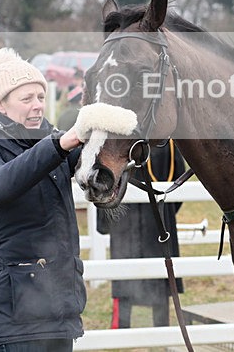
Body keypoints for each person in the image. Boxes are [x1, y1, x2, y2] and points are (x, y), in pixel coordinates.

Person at [0, 48, 86, 352]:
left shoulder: (47, 139)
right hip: (16, 315)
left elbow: (95, 165)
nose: (37, 106)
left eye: (40, 97)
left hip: (59, 308)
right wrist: (58, 145)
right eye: (26, 99)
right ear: (1, 105)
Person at [96, 139, 186, 329]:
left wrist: (105, 222)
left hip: (124, 221)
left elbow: (103, 180)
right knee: (159, 281)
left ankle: (122, 329)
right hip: (159, 219)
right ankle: (161, 329)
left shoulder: (117, 140)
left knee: (128, 279)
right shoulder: (166, 142)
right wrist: (166, 212)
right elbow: (178, 181)